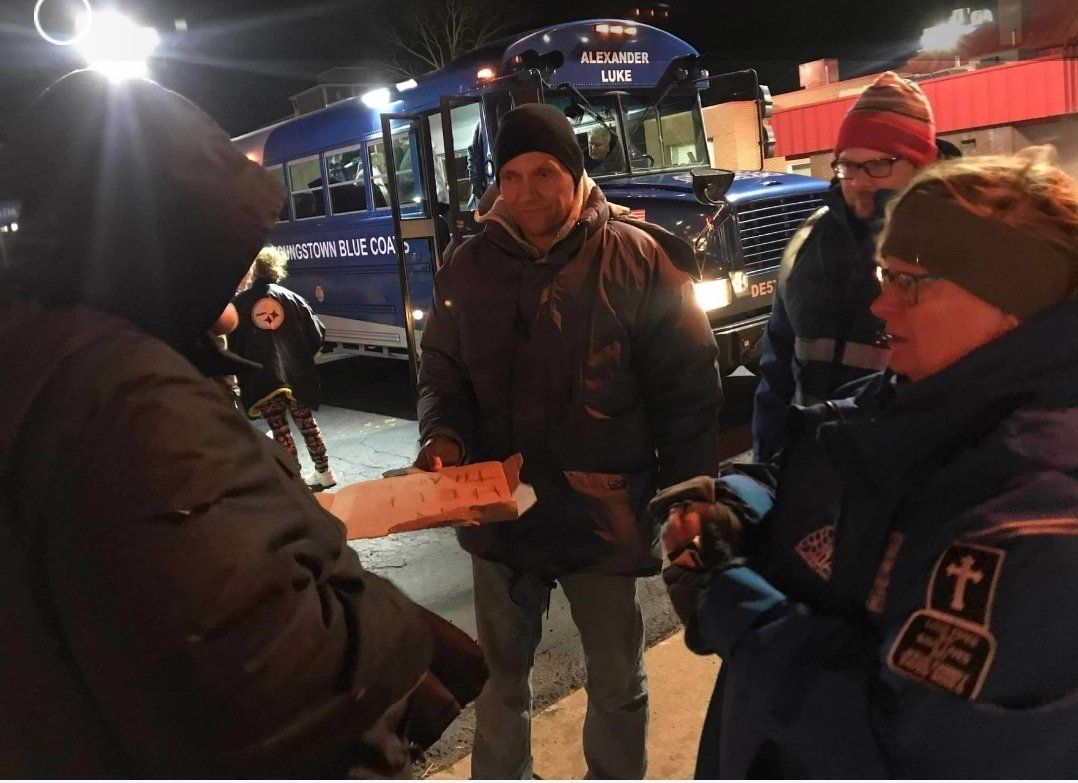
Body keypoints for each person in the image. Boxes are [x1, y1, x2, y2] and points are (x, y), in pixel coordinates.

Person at [0, 70, 486, 777]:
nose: (231, 315)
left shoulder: (43, 358)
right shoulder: (133, 401)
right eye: (215, 274)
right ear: (158, 251)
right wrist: (403, 629)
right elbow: (275, 669)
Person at [657, 147, 1078, 777]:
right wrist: (738, 505)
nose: (882, 306)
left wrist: (730, 601)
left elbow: (891, 747)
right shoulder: (910, 395)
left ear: (1008, 300)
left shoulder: (1038, 522)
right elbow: (818, 472)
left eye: (910, 282)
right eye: (885, 276)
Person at [415, 102, 722, 779]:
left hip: (604, 514)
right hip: (501, 517)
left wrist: (688, 497)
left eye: (544, 173)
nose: (525, 193)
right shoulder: (466, 267)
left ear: (576, 175)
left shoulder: (641, 259)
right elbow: (442, 372)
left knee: (616, 680)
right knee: (499, 681)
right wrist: (444, 438)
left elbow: (688, 393)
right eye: (511, 175)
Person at [752, 71, 940, 462]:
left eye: (879, 165)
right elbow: (777, 369)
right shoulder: (809, 239)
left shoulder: (953, 242)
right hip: (815, 463)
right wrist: (767, 466)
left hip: (908, 465)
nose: (858, 182)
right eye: (848, 167)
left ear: (922, 163)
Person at [230, 247, 336, 491]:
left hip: (263, 377)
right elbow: (316, 334)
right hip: (296, 376)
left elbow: (234, 342)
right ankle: (325, 472)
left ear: (254, 271)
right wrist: (301, 360)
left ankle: (294, 479)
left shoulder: (240, 304)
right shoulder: (293, 299)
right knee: (307, 424)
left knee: (280, 429)